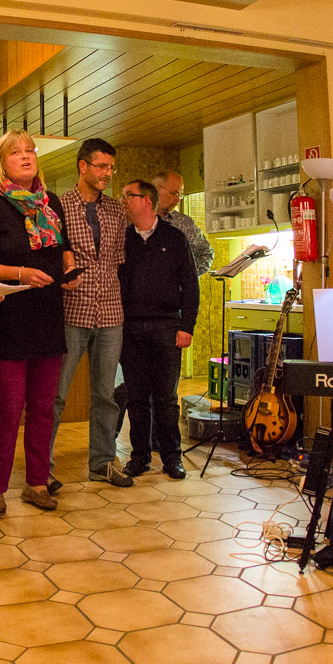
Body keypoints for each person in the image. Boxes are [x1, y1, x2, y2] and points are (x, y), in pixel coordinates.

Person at [0, 130, 79, 514]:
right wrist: (20, 273)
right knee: (8, 408)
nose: (26, 156)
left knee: (43, 407)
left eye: (30, 150)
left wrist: (68, 267)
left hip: (48, 317)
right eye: (16, 152)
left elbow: (63, 248)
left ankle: (36, 483)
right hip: (9, 320)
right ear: (2, 164)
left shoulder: (52, 203)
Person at [47, 138, 133, 490]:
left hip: (110, 312)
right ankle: (41, 468)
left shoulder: (116, 210)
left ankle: (102, 462)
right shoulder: (58, 206)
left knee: (105, 396)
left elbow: (118, 261)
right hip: (71, 312)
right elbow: (51, 254)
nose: (107, 174)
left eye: (111, 167)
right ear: (83, 166)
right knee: (56, 395)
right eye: (101, 167)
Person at [119, 180, 199, 481]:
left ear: (147, 201)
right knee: (136, 398)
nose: (123, 201)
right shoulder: (123, 239)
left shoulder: (174, 238)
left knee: (166, 398)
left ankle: (172, 458)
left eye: (129, 196)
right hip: (130, 328)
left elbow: (190, 284)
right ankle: (139, 457)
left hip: (166, 327)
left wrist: (186, 326)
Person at [154, 170, 214, 276]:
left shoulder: (185, 223)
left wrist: (187, 275)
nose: (178, 200)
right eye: (174, 193)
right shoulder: (135, 221)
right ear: (157, 190)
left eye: (180, 195)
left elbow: (206, 253)